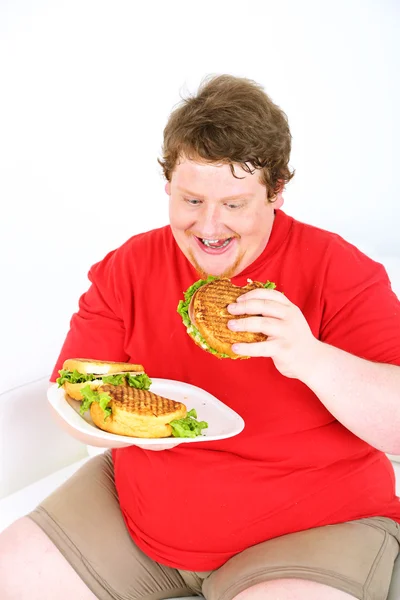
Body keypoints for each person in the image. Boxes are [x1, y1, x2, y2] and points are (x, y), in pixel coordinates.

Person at [1, 74, 400, 600]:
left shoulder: (341, 272)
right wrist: (126, 424)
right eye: (191, 200)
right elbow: (70, 391)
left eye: (234, 205)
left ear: (277, 192)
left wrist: (311, 358)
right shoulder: (129, 267)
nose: (209, 227)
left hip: (313, 530)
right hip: (135, 515)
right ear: (168, 185)